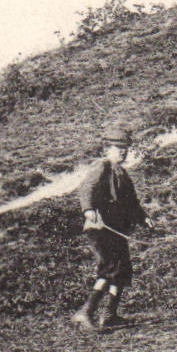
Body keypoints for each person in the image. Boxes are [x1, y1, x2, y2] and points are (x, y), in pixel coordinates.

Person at [72, 127, 151, 330]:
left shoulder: (122, 173)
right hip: (100, 227)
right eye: (118, 148)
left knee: (122, 270)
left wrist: (143, 218)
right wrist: (88, 210)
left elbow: (131, 202)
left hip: (117, 229)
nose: (122, 152)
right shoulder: (101, 167)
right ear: (107, 149)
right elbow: (86, 188)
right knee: (109, 269)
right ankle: (86, 312)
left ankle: (109, 315)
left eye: (125, 148)